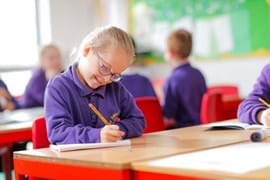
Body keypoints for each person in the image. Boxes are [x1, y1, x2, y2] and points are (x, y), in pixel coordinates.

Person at [45, 26, 145, 144]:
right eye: (104, 68)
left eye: (115, 75)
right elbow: (57, 132)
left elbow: (138, 121)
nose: (107, 79)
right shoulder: (58, 87)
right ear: (87, 50)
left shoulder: (114, 88)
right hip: (75, 160)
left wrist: (114, 132)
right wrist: (97, 135)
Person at [163, 29, 207, 128]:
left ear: (171, 53)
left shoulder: (172, 79)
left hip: (182, 129)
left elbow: (169, 114)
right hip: (201, 127)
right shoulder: (198, 74)